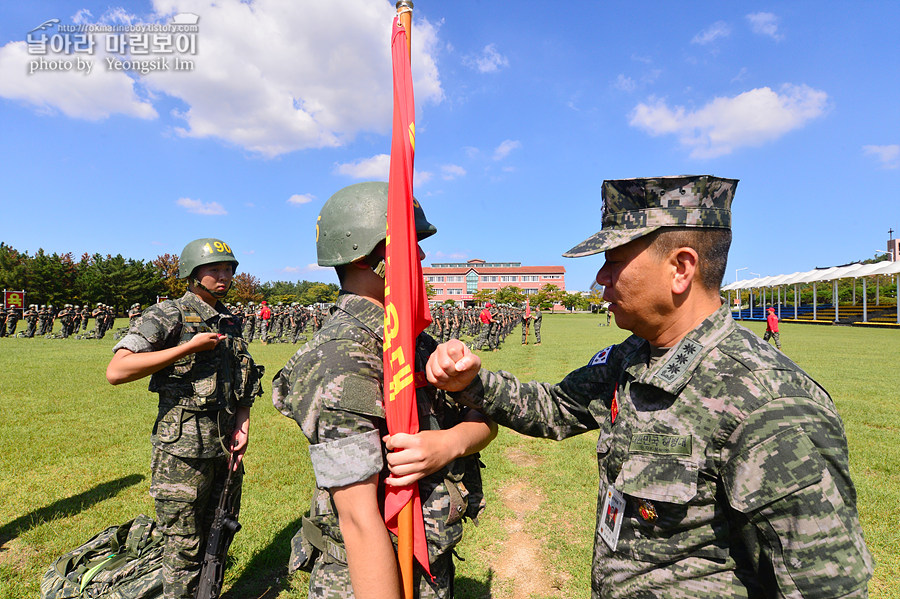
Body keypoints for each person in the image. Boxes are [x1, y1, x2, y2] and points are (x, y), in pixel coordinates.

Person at [425, 175, 873, 598]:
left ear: (681, 268)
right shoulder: (633, 356)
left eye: (614, 261)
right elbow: (555, 407)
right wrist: (473, 382)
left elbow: (824, 586)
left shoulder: (767, 402)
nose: (601, 278)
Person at [272, 182, 496, 599]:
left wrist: (450, 442)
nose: (424, 257)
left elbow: (484, 419)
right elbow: (358, 518)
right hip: (368, 577)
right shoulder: (340, 358)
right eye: (411, 244)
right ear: (364, 258)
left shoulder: (412, 340)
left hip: (427, 559)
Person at [105, 238, 264, 599]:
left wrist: (243, 423)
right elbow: (118, 370)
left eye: (229, 269)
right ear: (192, 274)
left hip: (224, 446)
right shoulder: (167, 314)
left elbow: (243, 379)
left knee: (218, 533)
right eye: (214, 270)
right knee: (183, 543)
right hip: (182, 452)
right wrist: (187, 348)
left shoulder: (229, 320)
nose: (224, 276)